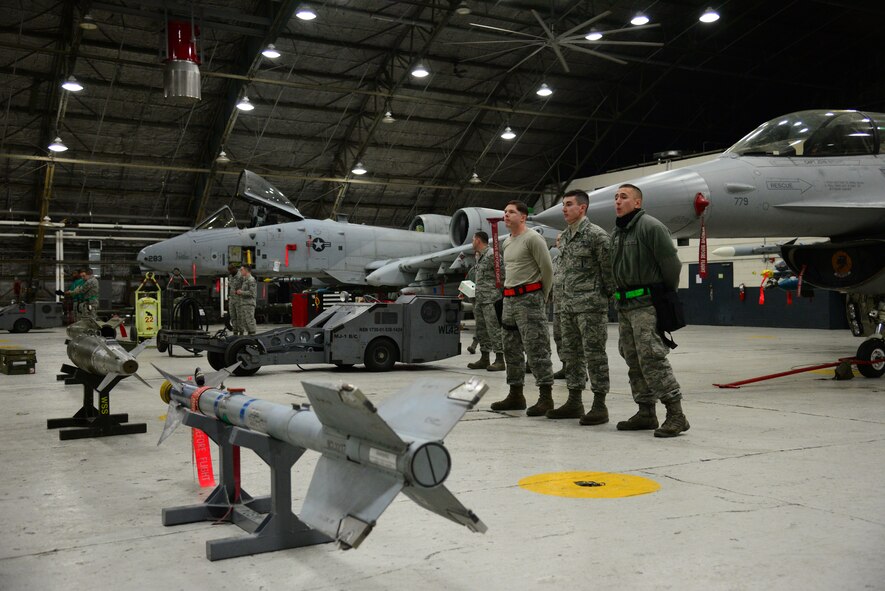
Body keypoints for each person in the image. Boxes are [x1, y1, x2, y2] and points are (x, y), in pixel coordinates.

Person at [611, 183, 689, 437]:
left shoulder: (651, 227)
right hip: (625, 306)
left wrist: (663, 296)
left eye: (624, 197)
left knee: (652, 357)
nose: (618, 201)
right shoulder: (619, 232)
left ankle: (676, 415)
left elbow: (671, 266)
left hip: (646, 303)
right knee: (632, 358)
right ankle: (646, 411)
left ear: (637, 203)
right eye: (616, 197)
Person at [548, 190, 614, 423]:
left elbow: (609, 273)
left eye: (568, 204)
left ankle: (599, 405)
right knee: (571, 355)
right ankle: (574, 402)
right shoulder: (564, 237)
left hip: (590, 308)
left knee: (595, 355)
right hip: (566, 308)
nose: (564, 209)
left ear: (582, 208)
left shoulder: (597, 236)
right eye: (563, 205)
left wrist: (602, 300)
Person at [490, 201, 554, 415]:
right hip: (509, 300)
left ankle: (546, 397)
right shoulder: (507, 241)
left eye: (511, 212)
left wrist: (541, 297)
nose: (506, 215)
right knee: (511, 348)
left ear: (523, 217)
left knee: (537, 348)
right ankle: (516, 394)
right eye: (505, 211)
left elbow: (547, 269)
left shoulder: (533, 239)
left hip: (529, 298)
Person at [467, 231, 505, 372]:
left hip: (490, 300)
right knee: (481, 330)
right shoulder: (480, 257)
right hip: (480, 300)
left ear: (478, 240)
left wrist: (496, 295)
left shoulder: (492, 256)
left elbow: (502, 276)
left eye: (472, 239)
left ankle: (500, 360)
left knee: (494, 330)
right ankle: (484, 358)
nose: (472, 242)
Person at [233, 264, 257, 335]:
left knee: (249, 321)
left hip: (249, 304)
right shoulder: (245, 280)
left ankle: (253, 336)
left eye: (241, 270)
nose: (240, 271)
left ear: (246, 270)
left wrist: (241, 292)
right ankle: (250, 335)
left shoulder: (251, 280)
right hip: (244, 304)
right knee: (245, 322)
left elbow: (252, 293)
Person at [226, 264, 241, 334]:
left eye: (231, 270)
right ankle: (235, 332)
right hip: (232, 299)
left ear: (234, 269)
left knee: (239, 317)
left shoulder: (241, 276)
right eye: (229, 270)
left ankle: (241, 333)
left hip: (239, 300)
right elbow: (230, 287)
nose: (230, 272)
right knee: (233, 317)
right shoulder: (230, 276)